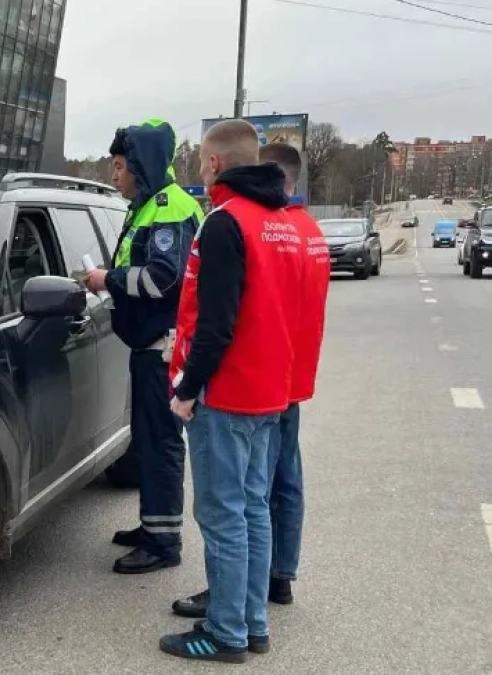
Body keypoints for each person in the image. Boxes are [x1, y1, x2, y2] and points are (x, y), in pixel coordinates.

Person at [160, 120, 306, 663]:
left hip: (227, 394)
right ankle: (253, 624)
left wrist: (187, 388)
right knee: (252, 510)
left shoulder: (224, 223)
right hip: (271, 390)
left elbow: (215, 323)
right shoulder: (282, 222)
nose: (199, 169)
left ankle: (225, 634)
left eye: (200, 160)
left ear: (216, 163)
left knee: (222, 516)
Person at [83, 118, 202, 574]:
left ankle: (163, 542)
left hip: (163, 347)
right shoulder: (149, 204)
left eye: (118, 166)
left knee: (161, 443)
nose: (114, 175)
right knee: (149, 441)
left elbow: (161, 278)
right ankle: (153, 526)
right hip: (149, 345)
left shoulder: (169, 208)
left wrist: (105, 280)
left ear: (140, 165)